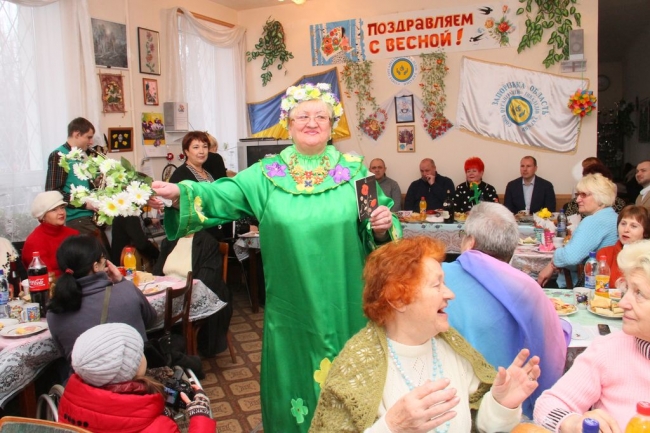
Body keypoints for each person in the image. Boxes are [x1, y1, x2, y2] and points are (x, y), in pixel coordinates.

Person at [149, 82, 399, 432]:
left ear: (332, 124)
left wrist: (382, 227)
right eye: (303, 116)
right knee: (295, 388)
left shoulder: (356, 172)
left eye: (321, 116)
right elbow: (223, 194)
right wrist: (180, 192)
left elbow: (381, 225)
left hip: (345, 304)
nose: (312, 122)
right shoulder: (267, 175)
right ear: (288, 124)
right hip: (290, 309)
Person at [310, 236, 540, 432]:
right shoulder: (357, 366)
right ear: (399, 300)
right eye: (436, 285)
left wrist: (501, 404)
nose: (450, 294)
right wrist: (391, 427)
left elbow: (481, 425)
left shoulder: (452, 349)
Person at [442, 202, 567, 417]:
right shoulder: (527, 287)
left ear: (470, 242)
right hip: (515, 404)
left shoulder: (437, 278)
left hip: (451, 400)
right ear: (511, 248)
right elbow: (551, 341)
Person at [534, 239, 650, 431]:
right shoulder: (610, 350)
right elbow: (548, 406)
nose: (623, 303)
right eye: (627, 289)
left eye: (639, 293)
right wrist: (572, 423)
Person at [58, 323, 216, 432]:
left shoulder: (66, 403)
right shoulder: (159, 428)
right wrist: (200, 416)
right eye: (139, 352)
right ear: (132, 367)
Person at [46, 235, 157, 360]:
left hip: (84, 372)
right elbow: (150, 320)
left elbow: (62, 351)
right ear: (95, 266)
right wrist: (121, 281)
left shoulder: (55, 310)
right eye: (103, 258)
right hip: (134, 368)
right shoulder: (127, 290)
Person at [153, 230, 232, 357]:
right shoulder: (169, 241)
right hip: (167, 293)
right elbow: (157, 273)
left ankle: (175, 352)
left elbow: (206, 281)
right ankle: (159, 351)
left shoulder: (207, 242)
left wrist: (181, 292)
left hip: (194, 293)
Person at [538, 174, 619, 288]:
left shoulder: (594, 221)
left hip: (588, 286)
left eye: (583, 195)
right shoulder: (614, 216)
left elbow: (570, 257)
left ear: (600, 197)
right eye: (578, 195)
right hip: (608, 284)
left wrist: (552, 264)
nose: (577, 200)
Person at [45, 117, 102, 239]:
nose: (91, 142)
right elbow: (53, 192)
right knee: (98, 250)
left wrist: (96, 182)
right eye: (88, 137)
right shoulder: (59, 155)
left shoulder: (80, 156)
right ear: (77, 134)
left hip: (88, 217)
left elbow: (77, 184)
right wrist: (85, 204)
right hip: (76, 218)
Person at [169, 131, 226, 240]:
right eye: (196, 147)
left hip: (214, 234)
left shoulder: (208, 173)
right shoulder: (181, 174)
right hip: (195, 238)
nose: (201, 151)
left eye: (205, 147)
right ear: (186, 151)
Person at [22, 191, 78, 277]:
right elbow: (46, 277)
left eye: (62, 207)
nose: (61, 212)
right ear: (42, 216)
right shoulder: (34, 241)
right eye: (54, 210)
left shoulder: (73, 234)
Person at [597, 205, 650, 289]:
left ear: (645, 232)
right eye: (623, 224)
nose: (626, 230)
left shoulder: (647, 255)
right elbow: (599, 287)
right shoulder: (605, 253)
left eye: (633, 226)